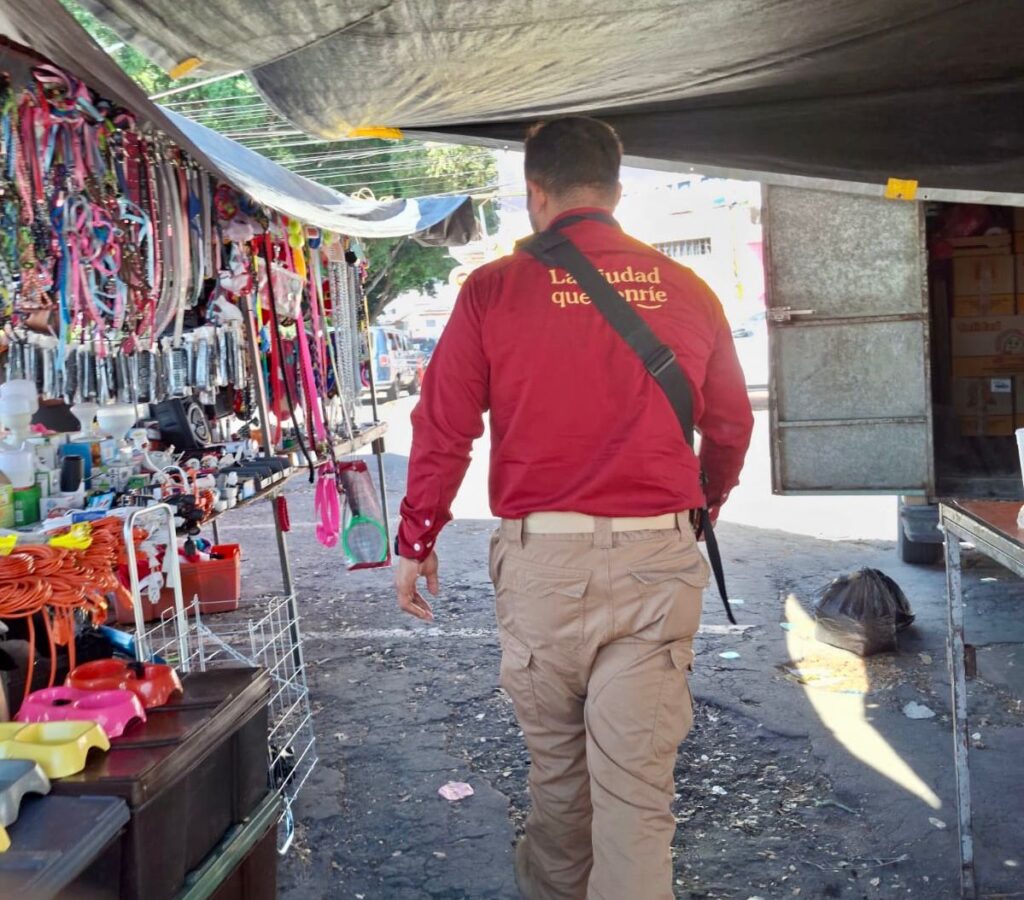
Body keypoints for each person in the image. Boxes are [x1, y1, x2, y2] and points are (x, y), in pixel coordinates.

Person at [394, 116, 754, 900]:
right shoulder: (688, 289)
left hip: (543, 570)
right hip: (657, 565)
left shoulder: (492, 290)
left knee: (560, 787)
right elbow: (730, 426)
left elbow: (443, 427)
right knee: (636, 803)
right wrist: (704, 506)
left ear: (536, 194)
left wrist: (416, 537)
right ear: (617, 192)